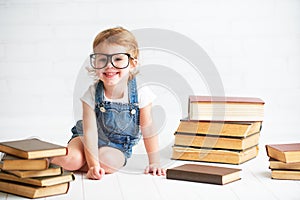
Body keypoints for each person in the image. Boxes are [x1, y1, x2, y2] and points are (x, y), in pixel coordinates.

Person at [51, 27, 166, 180]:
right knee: (71, 160)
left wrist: (155, 162)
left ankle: (87, 163)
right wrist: (92, 165)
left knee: (106, 163)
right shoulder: (92, 94)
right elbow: (90, 132)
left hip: (117, 147)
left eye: (118, 59)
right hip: (85, 139)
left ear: (132, 64)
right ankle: (40, 158)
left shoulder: (141, 92)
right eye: (102, 59)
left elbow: (148, 127)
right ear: (95, 62)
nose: (109, 65)